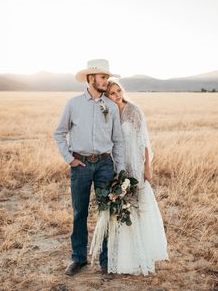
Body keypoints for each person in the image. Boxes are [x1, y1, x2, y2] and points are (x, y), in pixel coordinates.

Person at [54, 59, 125, 277]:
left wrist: (120, 171)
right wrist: (69, 158)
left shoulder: (111, 107)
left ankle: (105, 261)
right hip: (81, 165)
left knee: (106, 213)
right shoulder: (73, 104)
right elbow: (59, 133)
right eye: (103, 77)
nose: (106, 81)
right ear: (90, 78)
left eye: (107, 77)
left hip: (105, 165)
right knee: (79, 212)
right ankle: (78, 258)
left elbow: (118, 140)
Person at [101, 80, 169, 275]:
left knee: (139, 207)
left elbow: (144, 141)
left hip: (136, 167)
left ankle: (143, 254)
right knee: (122, 209)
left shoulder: (134, 110)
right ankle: (125, 257)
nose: (117, 95)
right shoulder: (109, 115)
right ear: (106, 96)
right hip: (118, 168)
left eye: (118, 90)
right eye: (112, 93)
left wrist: (147, 167)